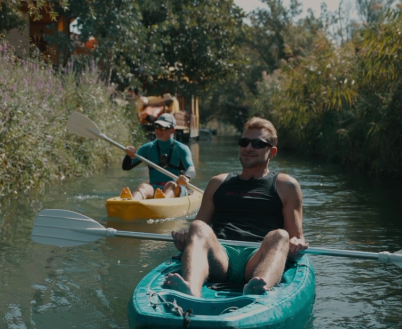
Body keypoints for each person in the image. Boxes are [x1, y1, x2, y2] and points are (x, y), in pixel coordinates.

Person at [164, 117, 307, 296]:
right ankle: (191, 290)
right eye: (244, 142)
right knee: (197, 227)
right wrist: (184, 239)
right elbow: (198, 231)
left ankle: (259, 289)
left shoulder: (286, 186)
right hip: (220, 255)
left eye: (257, 144)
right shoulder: (218, 182)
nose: (249, 148)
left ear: (272, 152)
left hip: (258, 256)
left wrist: (297, 243)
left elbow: (296, 238)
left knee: (280, 235)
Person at [121, 113, 195, 200]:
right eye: (157, 126)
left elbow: (191, 169)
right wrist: (129, 155)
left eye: (163, 128)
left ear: (173, 130)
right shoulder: (148, 148)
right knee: (143, 186)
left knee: (171, 185)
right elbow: (126, 167)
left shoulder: (181, 148)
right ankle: (133, 200)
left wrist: (187, 177)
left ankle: (164, 200)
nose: (159, 130)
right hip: (155, 188)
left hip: (176, 189)